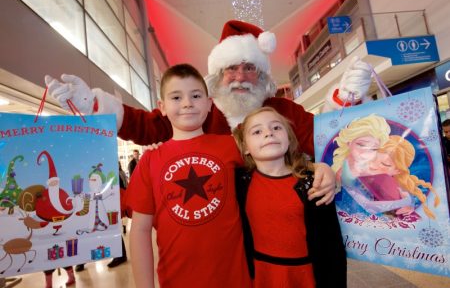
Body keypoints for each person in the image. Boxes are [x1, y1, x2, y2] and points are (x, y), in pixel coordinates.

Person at [46, 20, 374, 205]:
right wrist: (91, 105)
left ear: (262, 75)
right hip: (219, 219)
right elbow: (145, 126)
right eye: (232, 68)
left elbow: (325, 141)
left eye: (250, 68)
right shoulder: (200, 109)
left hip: (278, 214)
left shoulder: (282, 109)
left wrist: (343, 100)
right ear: (218, 75)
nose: (242, 77)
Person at [126, 64, 251, 288]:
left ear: (210, 103)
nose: (187, 103)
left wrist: (318, 169)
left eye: (195, 95)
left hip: (235, 279)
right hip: (176, 280)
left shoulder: (233, 145)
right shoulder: (150, 160)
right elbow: (139, 230)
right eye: (176, 97)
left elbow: (276, 167)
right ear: (162, 107)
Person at [233, 106, 346, 288]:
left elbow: (331, 246)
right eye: (257, 131)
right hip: (260, 275)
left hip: (304, 275)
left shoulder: (314, 183)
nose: (269, 133)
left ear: (289, 138)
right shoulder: (239, 182)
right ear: (245, 147)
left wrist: (320, 168)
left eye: (277, 127)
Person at [331, 115, 413, 215]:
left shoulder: (368, 169)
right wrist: (405, 201)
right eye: (361, 144)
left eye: (373, 149)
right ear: (349, 142)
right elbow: (368, 206)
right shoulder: (343, 172)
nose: (365, 152)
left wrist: (408, 203)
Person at [367, 135, 440, 219]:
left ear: (398, 170)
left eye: (385, 164)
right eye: (373, 159)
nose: (374, 166)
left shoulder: (396, 186)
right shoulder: (362, 175)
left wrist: (409, 205)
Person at [107, 161, 128, 268]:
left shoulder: (113, 173)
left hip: (111, 204)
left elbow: (121, 188)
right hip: (109, 203)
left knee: (113, 229)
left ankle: (120, 255)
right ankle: (120, 255)